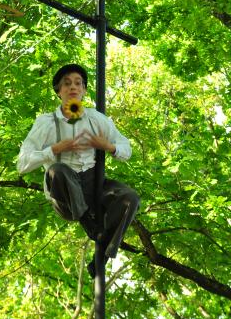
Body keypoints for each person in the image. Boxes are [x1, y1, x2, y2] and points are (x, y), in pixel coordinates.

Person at [17, 64, 140, 277]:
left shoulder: (97, 119)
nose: (73, 87)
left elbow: (126, 148)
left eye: (78, 83)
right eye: (67, 84)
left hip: (94, 186)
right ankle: (90, 225)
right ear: (58, 91)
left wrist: (108, 147)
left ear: (83, 90)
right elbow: (22, 164)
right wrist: (54, 149)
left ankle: (102, 253)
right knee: (57, 170)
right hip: (65, 195)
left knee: (129, 197)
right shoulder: (46, 123)